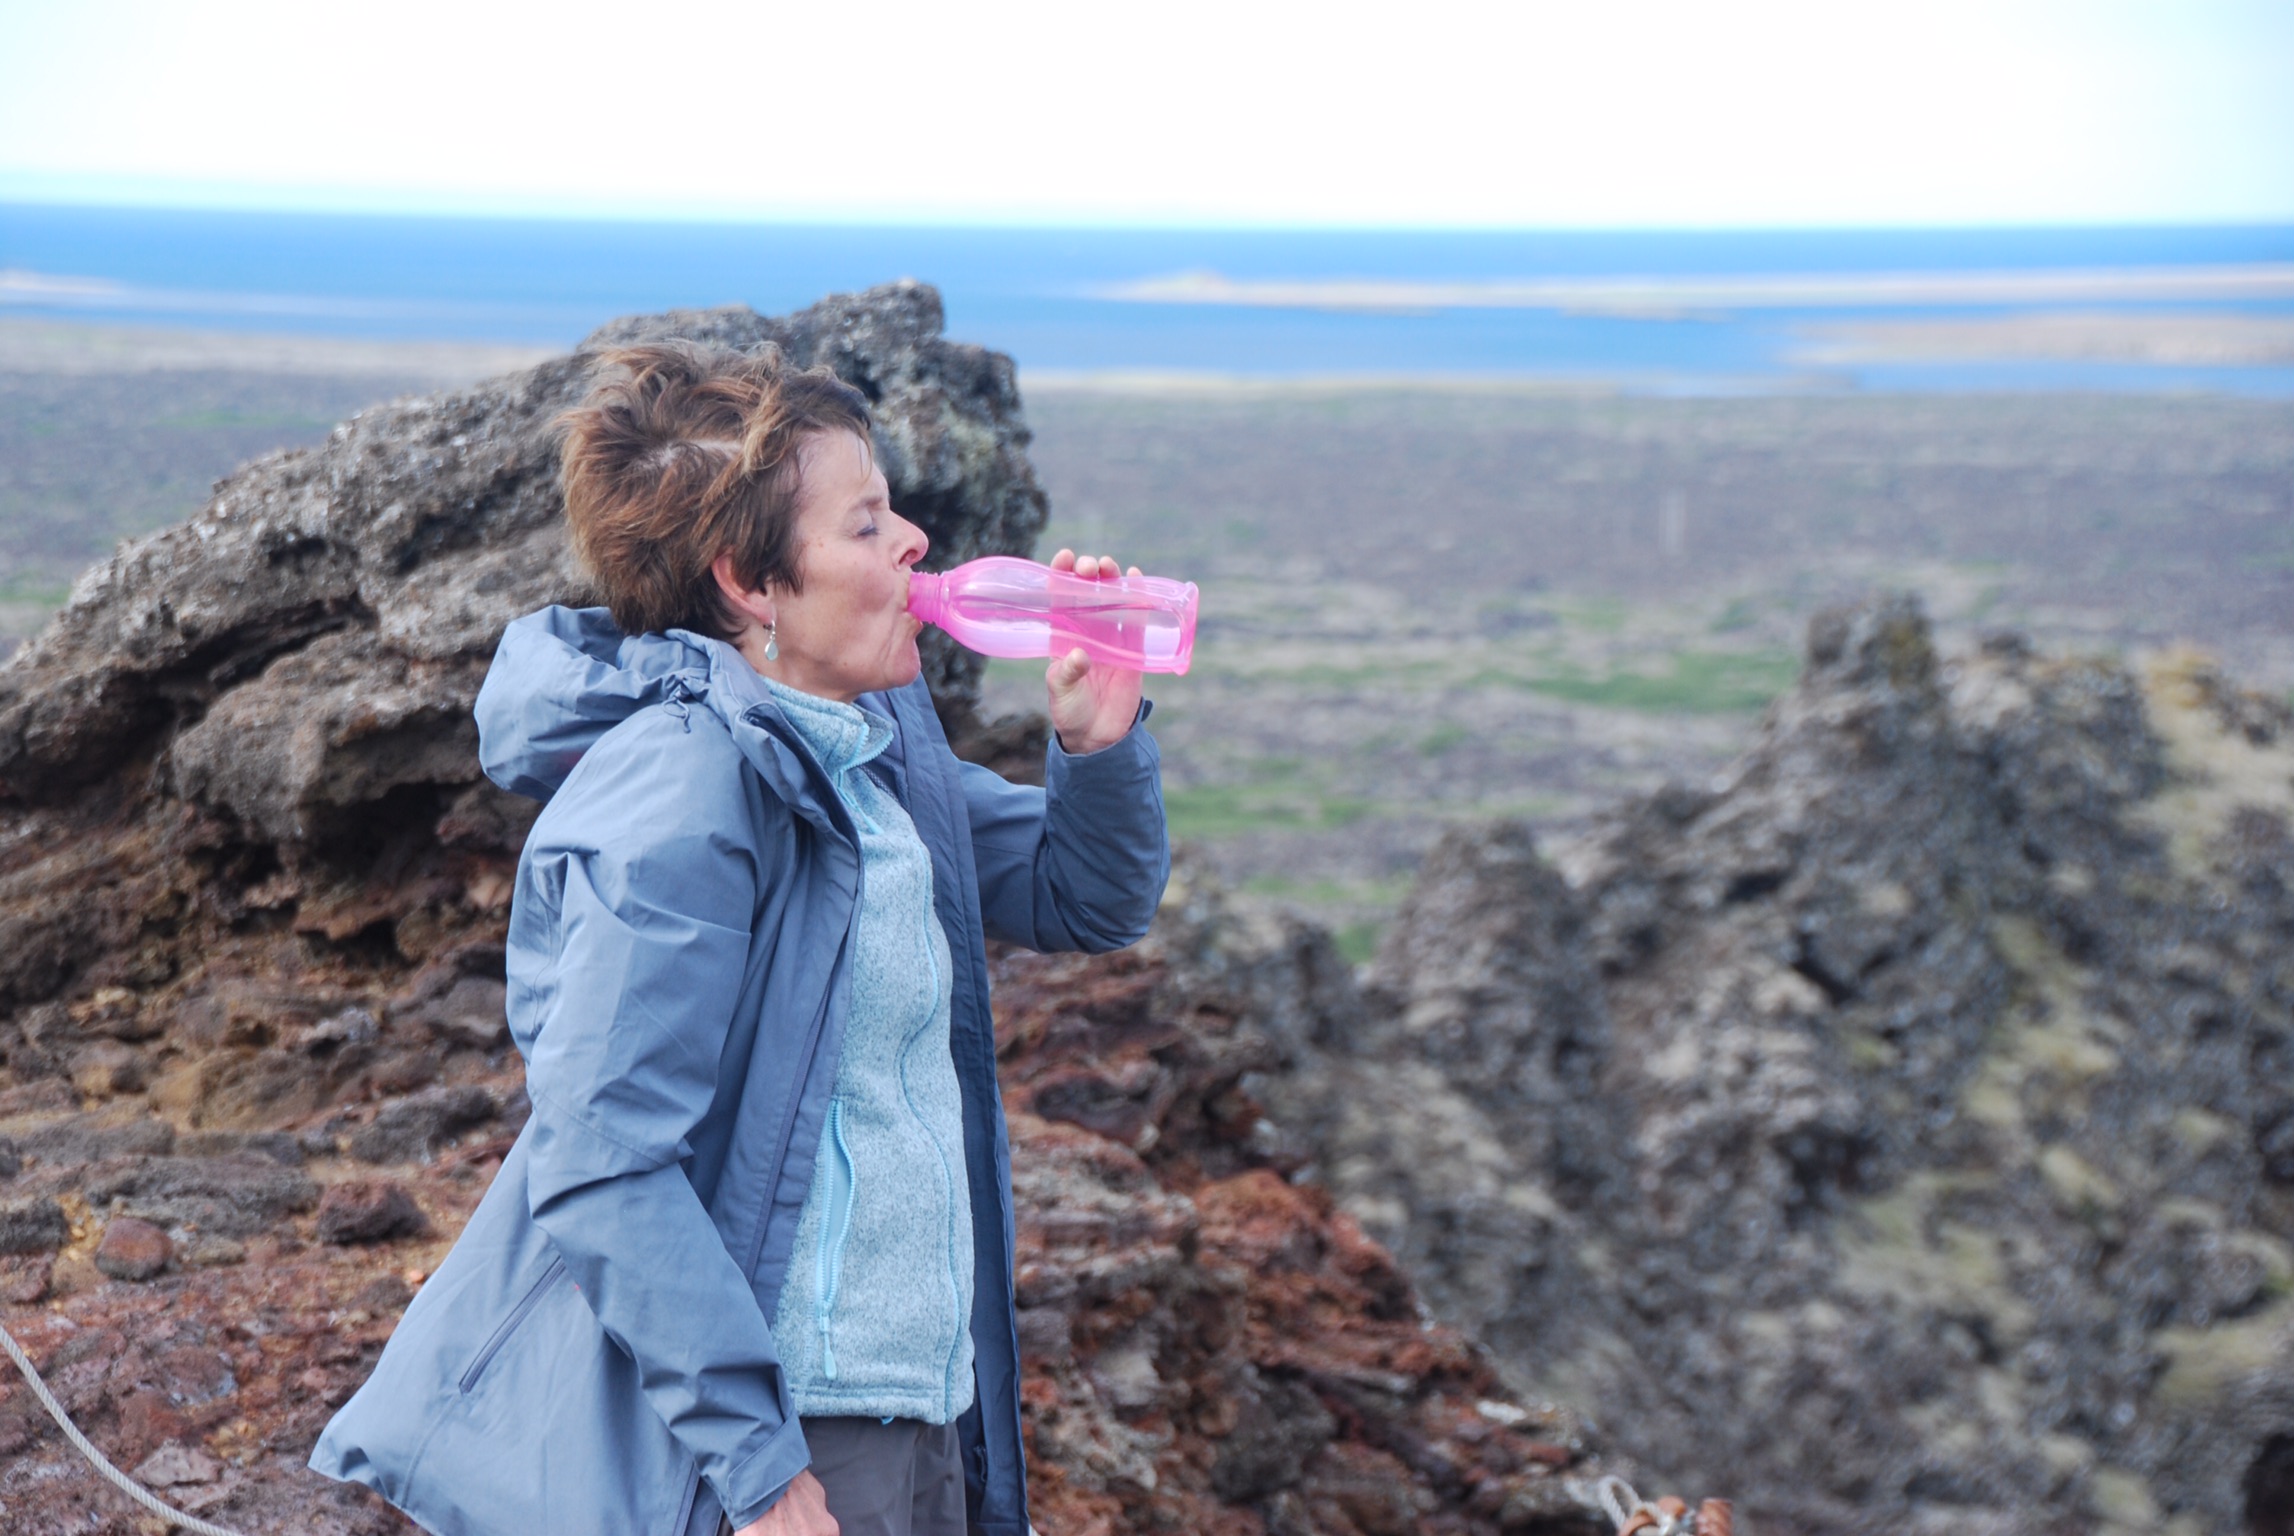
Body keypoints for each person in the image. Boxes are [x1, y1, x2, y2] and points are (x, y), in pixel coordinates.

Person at [310, 341, 1170, 1536]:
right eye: (865, 524)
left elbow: (1083, 897)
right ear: (750, 582)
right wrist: (759, 1467)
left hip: (921, 1402)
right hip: (795, 1432)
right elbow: (604, 1161)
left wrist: (1096, 742)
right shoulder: (678, 793)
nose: (914, 541)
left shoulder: (871, 756)